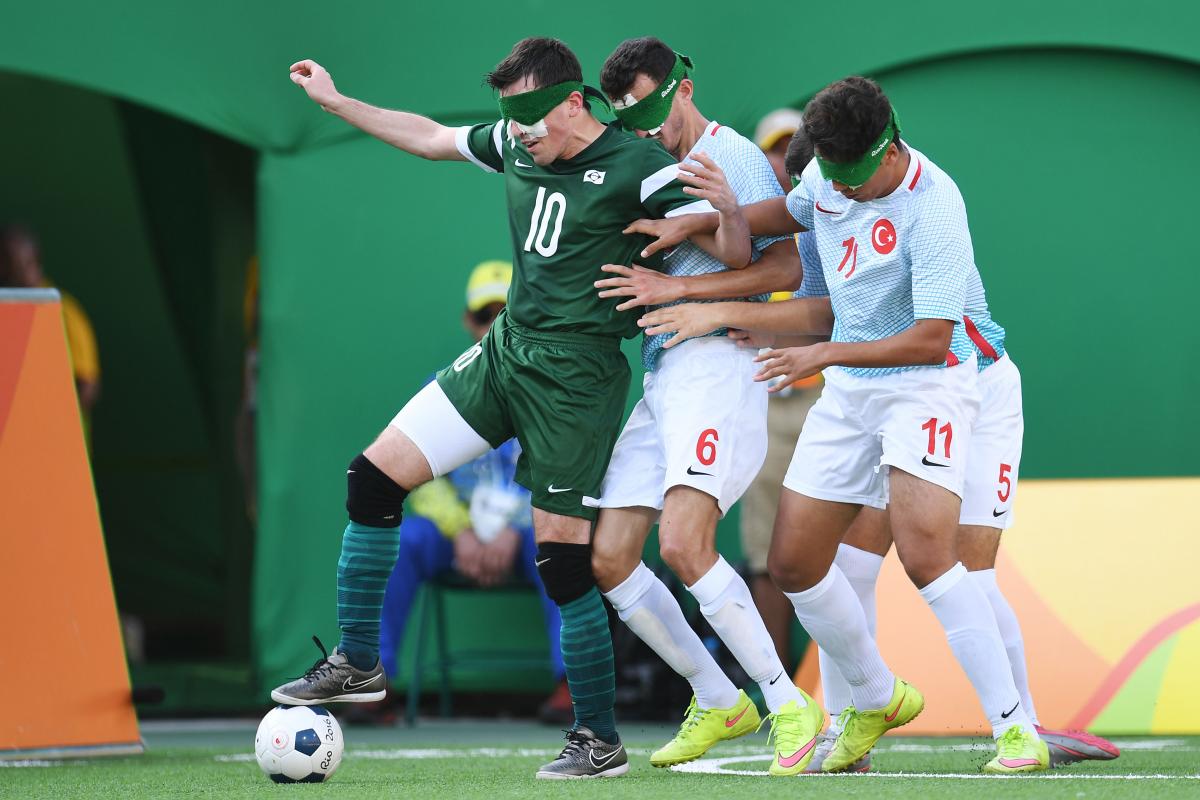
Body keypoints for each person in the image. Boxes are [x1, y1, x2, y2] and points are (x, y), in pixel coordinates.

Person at [276, 37, 748, 780]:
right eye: (512, 122)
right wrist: (337, 103)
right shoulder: (518, 141)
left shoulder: (639, 165)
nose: (521, 135)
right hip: (507, 352)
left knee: (563, 565)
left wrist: (720, 217)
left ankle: (598, 739)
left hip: (578, 379)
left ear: (571, 102)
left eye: (532, 119)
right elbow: (431, 138)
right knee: (370, 478)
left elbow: (734, 253)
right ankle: (360, 661)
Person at [634, 76, 1049, 774]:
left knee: (937, 559)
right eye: (834, 179)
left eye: (853, 181)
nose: (843, 195)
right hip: (853, 389)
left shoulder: (936, 203)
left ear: (890, 148)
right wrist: (702, 220)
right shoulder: (828, 178)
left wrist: (821, 352)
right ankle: (874, 698)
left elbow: (930, 339)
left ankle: (1017, 728)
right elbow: (779, 219)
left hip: (936, 383)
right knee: (800, 563)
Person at [772, 131, 1120, 770]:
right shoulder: (819, 216)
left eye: (832, 186)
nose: (830, 198)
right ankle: (851, 728)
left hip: (970, 386)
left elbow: (912, 338)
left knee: (965, 566)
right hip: (883, 387)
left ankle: (1021, 725)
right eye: (815, 193)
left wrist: (739, 319)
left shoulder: (923, 202)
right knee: (849, 563)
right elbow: (825, 312)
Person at [585, 37, 821, 777]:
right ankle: (719, 697)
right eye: (632, 119)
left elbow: (784, 268)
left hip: (718, 366)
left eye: (654, 110)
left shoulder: (739, 157)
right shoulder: (645, 163)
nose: (648, 129)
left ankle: (788, 704)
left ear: (684, 87)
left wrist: (685, 294)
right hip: (663, 371)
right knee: (613, 558)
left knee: (687, 544)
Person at [375, 261, 569, 724]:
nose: (496, 327)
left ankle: (572, 683)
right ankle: (373, 680)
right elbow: (419, 479)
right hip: (456, 536)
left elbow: (564, 478)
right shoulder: (441, 391)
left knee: (562, 542)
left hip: (527, 534)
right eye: (486, 316)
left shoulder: (555, 391)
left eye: (507, 314)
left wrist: (514, 528)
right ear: (469, 322)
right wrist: (462, 530)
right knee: (402, 541)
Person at [735, 110, 825, 673]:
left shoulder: (839, 215)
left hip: (828, 399)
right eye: (776, 149)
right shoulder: (747, 229)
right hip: (763, 399)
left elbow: (837, 318)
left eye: (799, 150)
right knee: (765, 554)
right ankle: (779, 686)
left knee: (837, 552)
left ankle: (837, 679)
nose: (787, 161)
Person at [0, 224, 101, 431]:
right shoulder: (6, 310)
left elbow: (87, 386)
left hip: (55, 451)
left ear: (31, 262)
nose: (1, 269)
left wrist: (44, 427)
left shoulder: (64, 313)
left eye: (6, 261)